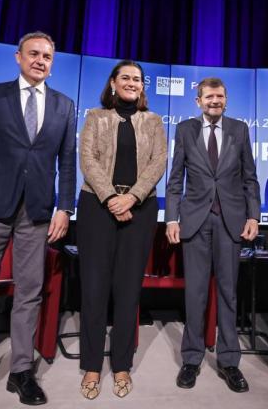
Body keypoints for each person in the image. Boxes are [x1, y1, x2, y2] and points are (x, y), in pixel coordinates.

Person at [0, 32, 76, 408]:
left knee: (29, 293)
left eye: (48, 56)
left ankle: (22, 372)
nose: (41, 60)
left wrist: (64, 207)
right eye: (34, 54)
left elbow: (67, 162)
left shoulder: (64, 105)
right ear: (18, 57)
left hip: (37, 213)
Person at [77, 60, 168, 400]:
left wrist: (131, 197)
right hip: (97, 208)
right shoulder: (95, 117)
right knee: (95, 289)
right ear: (113, 83)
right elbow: (88, 160)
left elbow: (158, 162)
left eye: (138, 79)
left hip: (140, 209)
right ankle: (90, 365)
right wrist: (111, 198)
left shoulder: (154, 121)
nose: (132, 83)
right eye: (126, 77)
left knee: (128, 291)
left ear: (143, 87)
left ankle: (121, 365)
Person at [165, 77, 261, 393]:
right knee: (195, 293)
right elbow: (175, 178)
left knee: (228, 295)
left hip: (231, 221)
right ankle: (191, 360)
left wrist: (253, 216)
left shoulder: (240, 130)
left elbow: (250, 177)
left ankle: (229, 362)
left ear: (226, 99)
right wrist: (171, 219)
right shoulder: (185, 130)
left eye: (220, 96)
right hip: (194, 221)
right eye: (209, 97)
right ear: (198, 101)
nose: (214, 101)